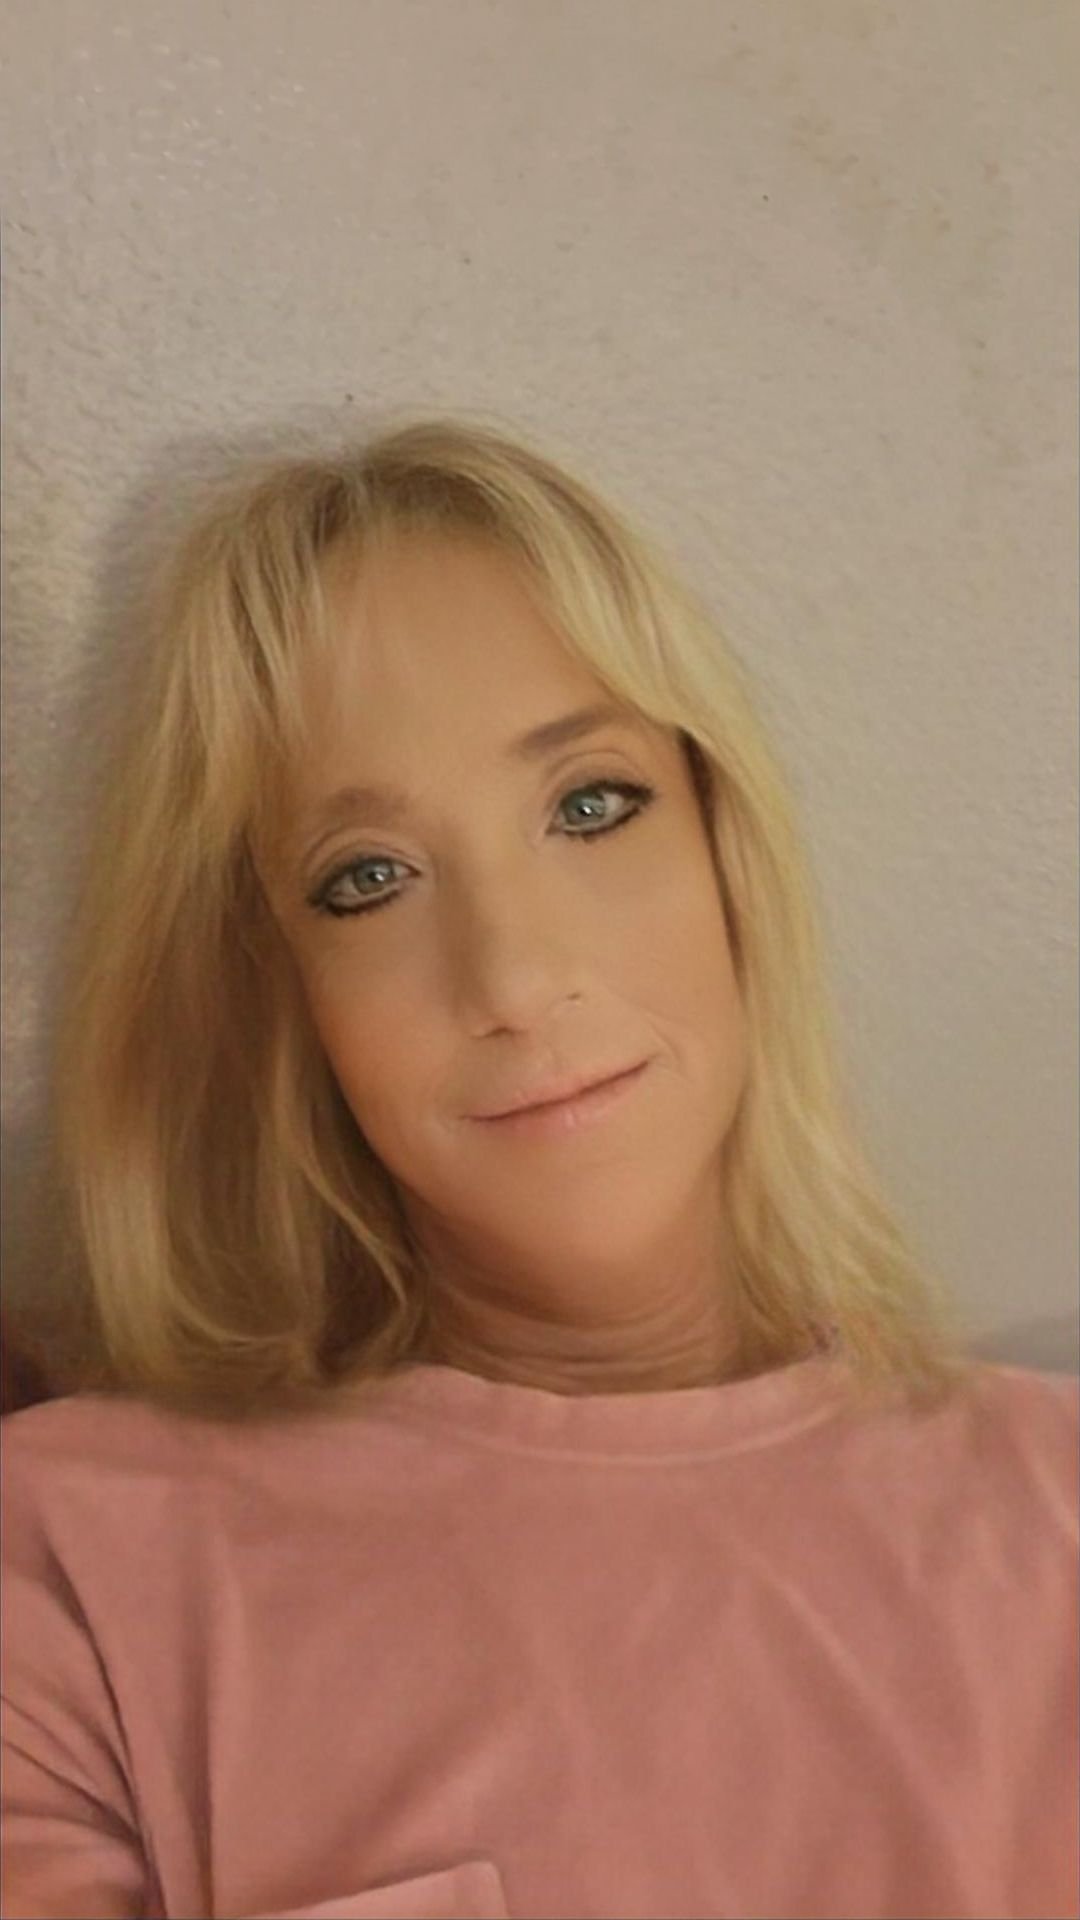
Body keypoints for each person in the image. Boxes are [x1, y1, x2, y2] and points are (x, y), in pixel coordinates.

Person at [1, 413, 1075, 1920]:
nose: (513, 975)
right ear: (277, 995)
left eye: (590, 804)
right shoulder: (64, 1575)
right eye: (366, 879)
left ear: (727, 844)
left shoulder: (1055, 1509)